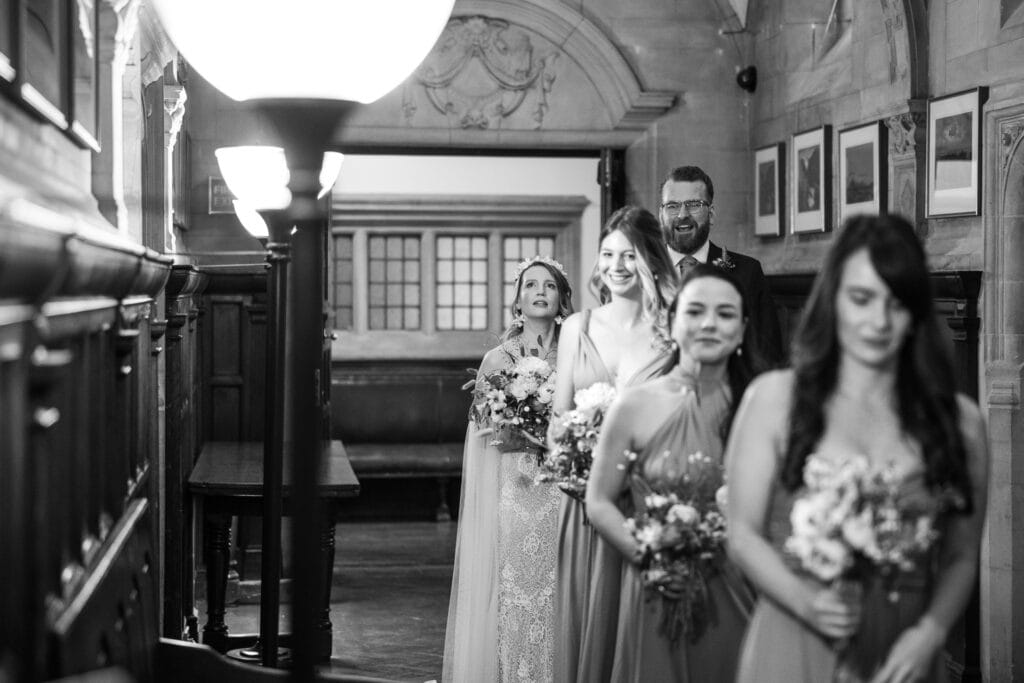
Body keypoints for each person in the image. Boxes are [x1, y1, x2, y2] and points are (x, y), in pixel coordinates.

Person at [725, 214, 989, 682]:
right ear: (833, 301)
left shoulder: (960, 422)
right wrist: (804, 599)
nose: (878, 322)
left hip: (901, 651)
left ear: (917, 313)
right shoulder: (773, 399)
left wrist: (930, 631)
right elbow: (743, 534)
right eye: (861, 299)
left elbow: (961, 556)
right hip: (798, 632)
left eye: (897, 304)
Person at [585, 264, 760, 681]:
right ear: (671, 320)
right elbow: (599, 500)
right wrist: (650, 557)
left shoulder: (761, 404)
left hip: (743, 585)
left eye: (725, 314)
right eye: (695, 311)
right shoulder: (635, 405)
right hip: (660, 586)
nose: (709, 324)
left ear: (743, 328)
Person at [551, 205, 677, 683]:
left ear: (650, 258)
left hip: (651, 493)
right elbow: (558, 420)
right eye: (608, 254)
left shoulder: (672, 327)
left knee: (639, 628)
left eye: (629, 254)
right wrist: (577, 462)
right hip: (586, 500)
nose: (616, 266)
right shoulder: (576, 328)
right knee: (589, 620)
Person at [442, 255, 574, 683]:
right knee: (517, 586)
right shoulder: (497, 360)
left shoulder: (576, 351)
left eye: (550, 285)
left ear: (561, 299)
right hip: (513, 485)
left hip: (562, 483)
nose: (540, 292)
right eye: (531, 285)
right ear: (517, 301)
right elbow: (479, 429)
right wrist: (516, 429)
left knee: (562, 584)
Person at [659, 165, 784, 366]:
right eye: (672, 206)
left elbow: (768, 353)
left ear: (712, 214)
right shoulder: (643, 270)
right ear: (661, 214)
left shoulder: (747, 272)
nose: (682, 214)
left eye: (694, 204)